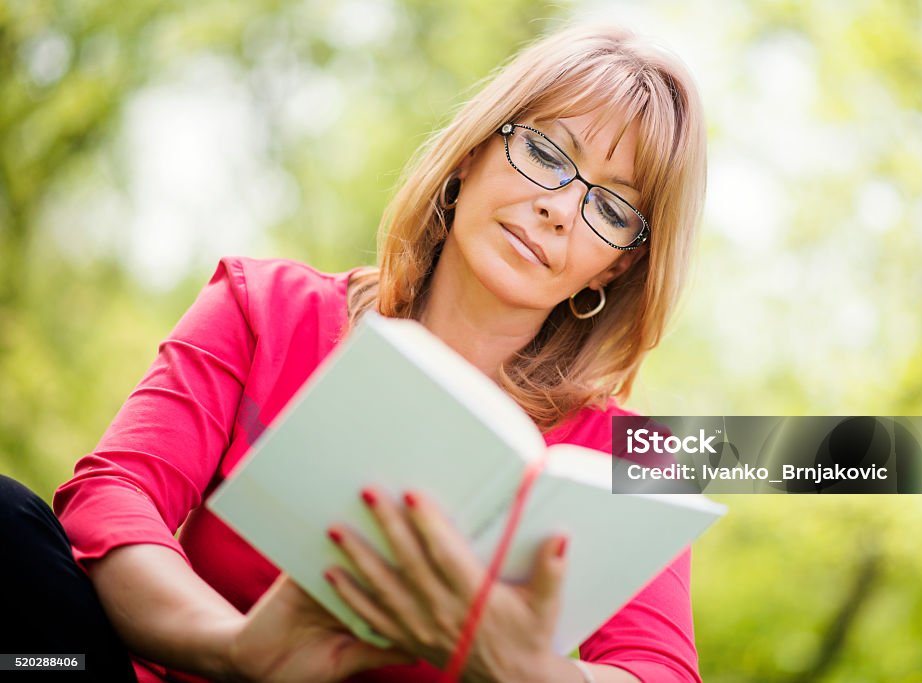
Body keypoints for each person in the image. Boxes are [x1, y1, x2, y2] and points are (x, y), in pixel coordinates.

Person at [1, 23, 707, 683]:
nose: (560, 208)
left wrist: (538, 673)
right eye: (547, 153)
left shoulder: (634, 458)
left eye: (612, 209)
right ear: (472, 154)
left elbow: (658, 669)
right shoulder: (264, 308)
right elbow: (112, 499)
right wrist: (238, 648)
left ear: (614, 267)